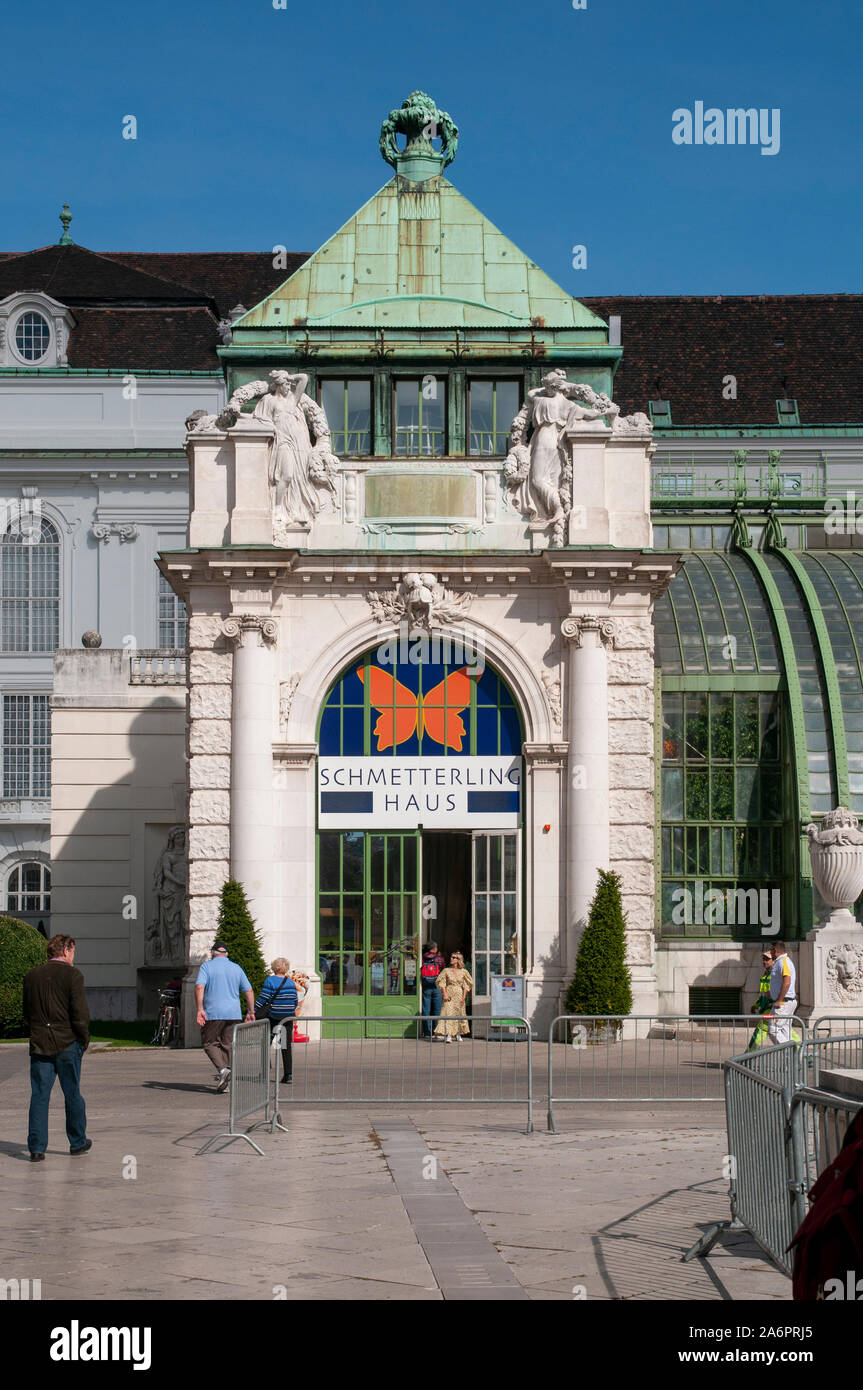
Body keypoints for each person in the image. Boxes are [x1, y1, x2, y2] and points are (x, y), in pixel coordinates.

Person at [22, 934, 91, 1161]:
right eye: (73, 952)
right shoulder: (73, 975)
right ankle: (77, 1142)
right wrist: (84, 1038)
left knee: (39, 1096)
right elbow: (79, 1013)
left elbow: (27, 1012)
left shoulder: (32, 976)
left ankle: (37, 1147)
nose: (73, 956)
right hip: (67, 1042)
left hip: (40, 1042)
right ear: (66, 950)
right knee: (72, 1094)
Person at [195, 939, 255, 1091]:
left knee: (209, 1043)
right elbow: (248, 990)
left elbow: (199, 986)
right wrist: (251, 1011)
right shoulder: (236, 968)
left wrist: (200, 1008)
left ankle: (223, 1070)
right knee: (227, 1045)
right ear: (226, 954)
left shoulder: (206, 966)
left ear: (213, 953)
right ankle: (226, 1081)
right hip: (233, 1013)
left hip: (214, 1013)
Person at [255, 958, 299, 1084]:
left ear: (274, 967)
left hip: (273, 1017)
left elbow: (263, 998)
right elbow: (295, 1001)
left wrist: (253, 1010)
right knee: (285, 1046)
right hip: (287, 1018)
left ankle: (264, 1073)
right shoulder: (291, 983)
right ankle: (288, 1075)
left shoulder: (270, 980)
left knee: (266, 1044)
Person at [433, 951, 474, 1043]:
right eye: (451, 957)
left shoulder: (464, 972)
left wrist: (464, 997)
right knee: (447, 1013)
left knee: (459, 1013)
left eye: (454, 957)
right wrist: (444, 994)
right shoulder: (446, 970)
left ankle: (458, 1033)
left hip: (459, 994)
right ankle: (448, 1034)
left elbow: (466, 985)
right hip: (449, 993)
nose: (451, 959)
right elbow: (441, 982)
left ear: (458, 960)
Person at [767, 941, 801, 1046]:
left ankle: (792, 1051)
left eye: (771, 949)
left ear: (775, 950)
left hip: (784, 1002)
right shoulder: (780, 961)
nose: (770, 952)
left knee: (773, 1029)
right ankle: (794, 1060)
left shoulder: (783, 961)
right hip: (786, 1001)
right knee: (786, 1031)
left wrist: (779, 1000)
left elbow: (787, 982)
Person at [747, 951, 774, 1050]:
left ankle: (749, 1056)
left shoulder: (774, 975)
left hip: (772, 1009)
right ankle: (802, 1052)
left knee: (760, 1030)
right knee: (785, 1032)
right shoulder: (765, 975)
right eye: (763, 959)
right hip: (768, 1009)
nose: (764, 961)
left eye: (767, 959)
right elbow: (763, 994)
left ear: (774, 960)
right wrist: (756, 1005)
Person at [419, 940, 445, 1037]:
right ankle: (436, 1031)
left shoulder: (422, 958)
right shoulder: (440, 959)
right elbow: (443, 971)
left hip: (426, 986)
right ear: (434, 949)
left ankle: (427, 1032)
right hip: (437, 986)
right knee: (437, 1009)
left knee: (426, 1009)